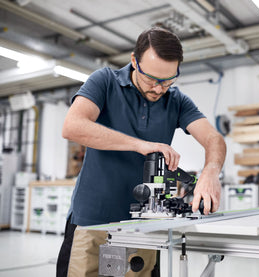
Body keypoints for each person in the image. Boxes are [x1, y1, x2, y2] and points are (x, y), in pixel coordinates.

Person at [56, 26, 226, 277]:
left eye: (168, 80)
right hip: (92, 221)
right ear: (134, 61)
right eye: (152, 79)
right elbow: (73, 126)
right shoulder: (105, 81)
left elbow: (214, 138)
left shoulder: (177, 100)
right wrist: (140, 144)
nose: (159, 89)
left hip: (145, 227)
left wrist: (210, 173)